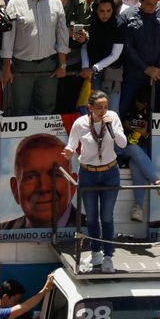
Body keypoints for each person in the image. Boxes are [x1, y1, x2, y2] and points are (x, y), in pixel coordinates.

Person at [63, 90, 126, 273]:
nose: (103, 111)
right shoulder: (80, 123)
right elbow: (71, 144)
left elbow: (122, 144)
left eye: (105, 107)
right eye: (99, 108)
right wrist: (68, 151)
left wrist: (111, 129)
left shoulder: (112, 118)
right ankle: (95, 252)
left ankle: (108, 256)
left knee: (106, 216)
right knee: (91, 216)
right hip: (88, 173)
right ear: (89, 108)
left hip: (110, 173)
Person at [0, 0, 69, 116]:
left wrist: (62, 64)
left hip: (48, 66)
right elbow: (8, 36)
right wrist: (6, 67)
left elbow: (62, 36)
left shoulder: (55, 2)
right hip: (22, 67)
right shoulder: (15, 3)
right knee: (21, 109)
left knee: (46, 109)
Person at [0, 133, 82, 230]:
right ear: (15, 189)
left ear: (72, 185)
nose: (44, 187)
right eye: (31, 177)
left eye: (55, 175)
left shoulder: (98, 233)